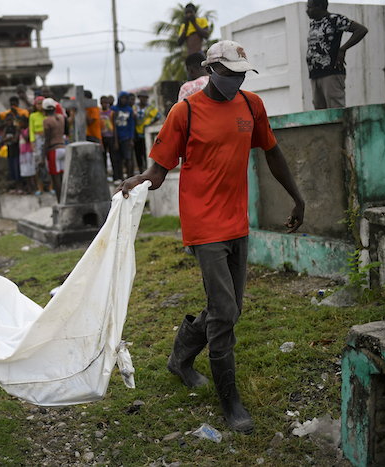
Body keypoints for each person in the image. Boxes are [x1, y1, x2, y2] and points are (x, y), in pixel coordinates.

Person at [116, 41, 305, 434]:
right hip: (204, 226)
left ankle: (179, 358)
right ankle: (230, 402)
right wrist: (138, 180)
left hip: (238, 222)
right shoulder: (184, 112)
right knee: (224, 313)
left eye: (241, 74)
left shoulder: (251, 106)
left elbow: (272, 151)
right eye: (230, 73)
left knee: (229, 308)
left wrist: (297, 196)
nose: (237, 80)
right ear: (211, 69)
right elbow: (158, 172)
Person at [306, 0, 368, 109]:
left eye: (310, 7)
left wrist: (343, 49)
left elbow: (361, 30)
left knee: (335, 110)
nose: (307, 11)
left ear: (319, 7)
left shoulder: (335, 20)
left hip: (331, 73)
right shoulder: (314, 23)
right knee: (319, 113)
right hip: (315, 74)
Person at [41, 97, 66, 202]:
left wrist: (42, 157)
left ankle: (60, 201)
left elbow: (47, 139)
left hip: (53, 150)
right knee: (63, 176)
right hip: (63, 148)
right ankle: (66, 199)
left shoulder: (46, 121)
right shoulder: (61, 117)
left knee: (55, 179)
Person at [133, 90, 160, 173]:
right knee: (138, 152)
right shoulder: (134, 107)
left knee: (146, 151)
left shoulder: (150, 107)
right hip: (136, 133)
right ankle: (141, 169)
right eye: (142, 97)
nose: (143, 99)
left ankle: (147, 169)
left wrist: (150, 124)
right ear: (139, 98)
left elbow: (158, 116)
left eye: (145, 97)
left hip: (146, 134)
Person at [111, 92, 136, 179]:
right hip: (116, 137)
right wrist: (115, 141)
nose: (124, 100)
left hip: (126, 137)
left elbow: (132, 125)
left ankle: (129, 177)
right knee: (118, 159)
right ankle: (121, 177)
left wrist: (131, 139)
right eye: (122, 98)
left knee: (128, 158)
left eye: (126, 98)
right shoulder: (114, 109)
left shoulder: (129, 110)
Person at [29, 96, 51, 195]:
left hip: (47, 139)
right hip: (37, 140)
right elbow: (31, 130)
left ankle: (51, 187)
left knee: (49, 163)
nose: (39, 105)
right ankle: (40, 187)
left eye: (41, 103)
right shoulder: (33, 116)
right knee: (37, 164)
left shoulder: (48, 115)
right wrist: (32, 142)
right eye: (37, 103)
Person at [1, 112, 21, 192]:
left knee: (17, 170)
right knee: (12, 170)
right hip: (10, 152)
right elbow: (2, 140)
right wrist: (10, 138)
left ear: (13, 120)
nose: (9, 122)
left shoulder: (16, 128)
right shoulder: (6, 129)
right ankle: (15, 188)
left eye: (10, 120)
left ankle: (20, 187)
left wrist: (8, 138)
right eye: (7, 120)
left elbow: (16, 139)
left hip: (17, 152)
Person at [100, 96, 118, 180]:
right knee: (103, 158)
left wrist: (116, 141)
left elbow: (114, 126)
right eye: (102, 102)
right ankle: (104, 176)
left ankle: (116, 176)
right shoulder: (99, 113)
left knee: (113, 157)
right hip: (102, 137)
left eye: (105, 102)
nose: (104, 104)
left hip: (110, 137)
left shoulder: (111, 113)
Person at [18, 115, 37, 194]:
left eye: (21, 123)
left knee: (32, 170)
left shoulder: (29, 130)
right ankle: (29, 188)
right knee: (26, 172)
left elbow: (27, 138)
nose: (20, 124)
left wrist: (21, 131)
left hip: (29, 152)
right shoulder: (21, 131)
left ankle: (35, 188)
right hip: (23, 153)